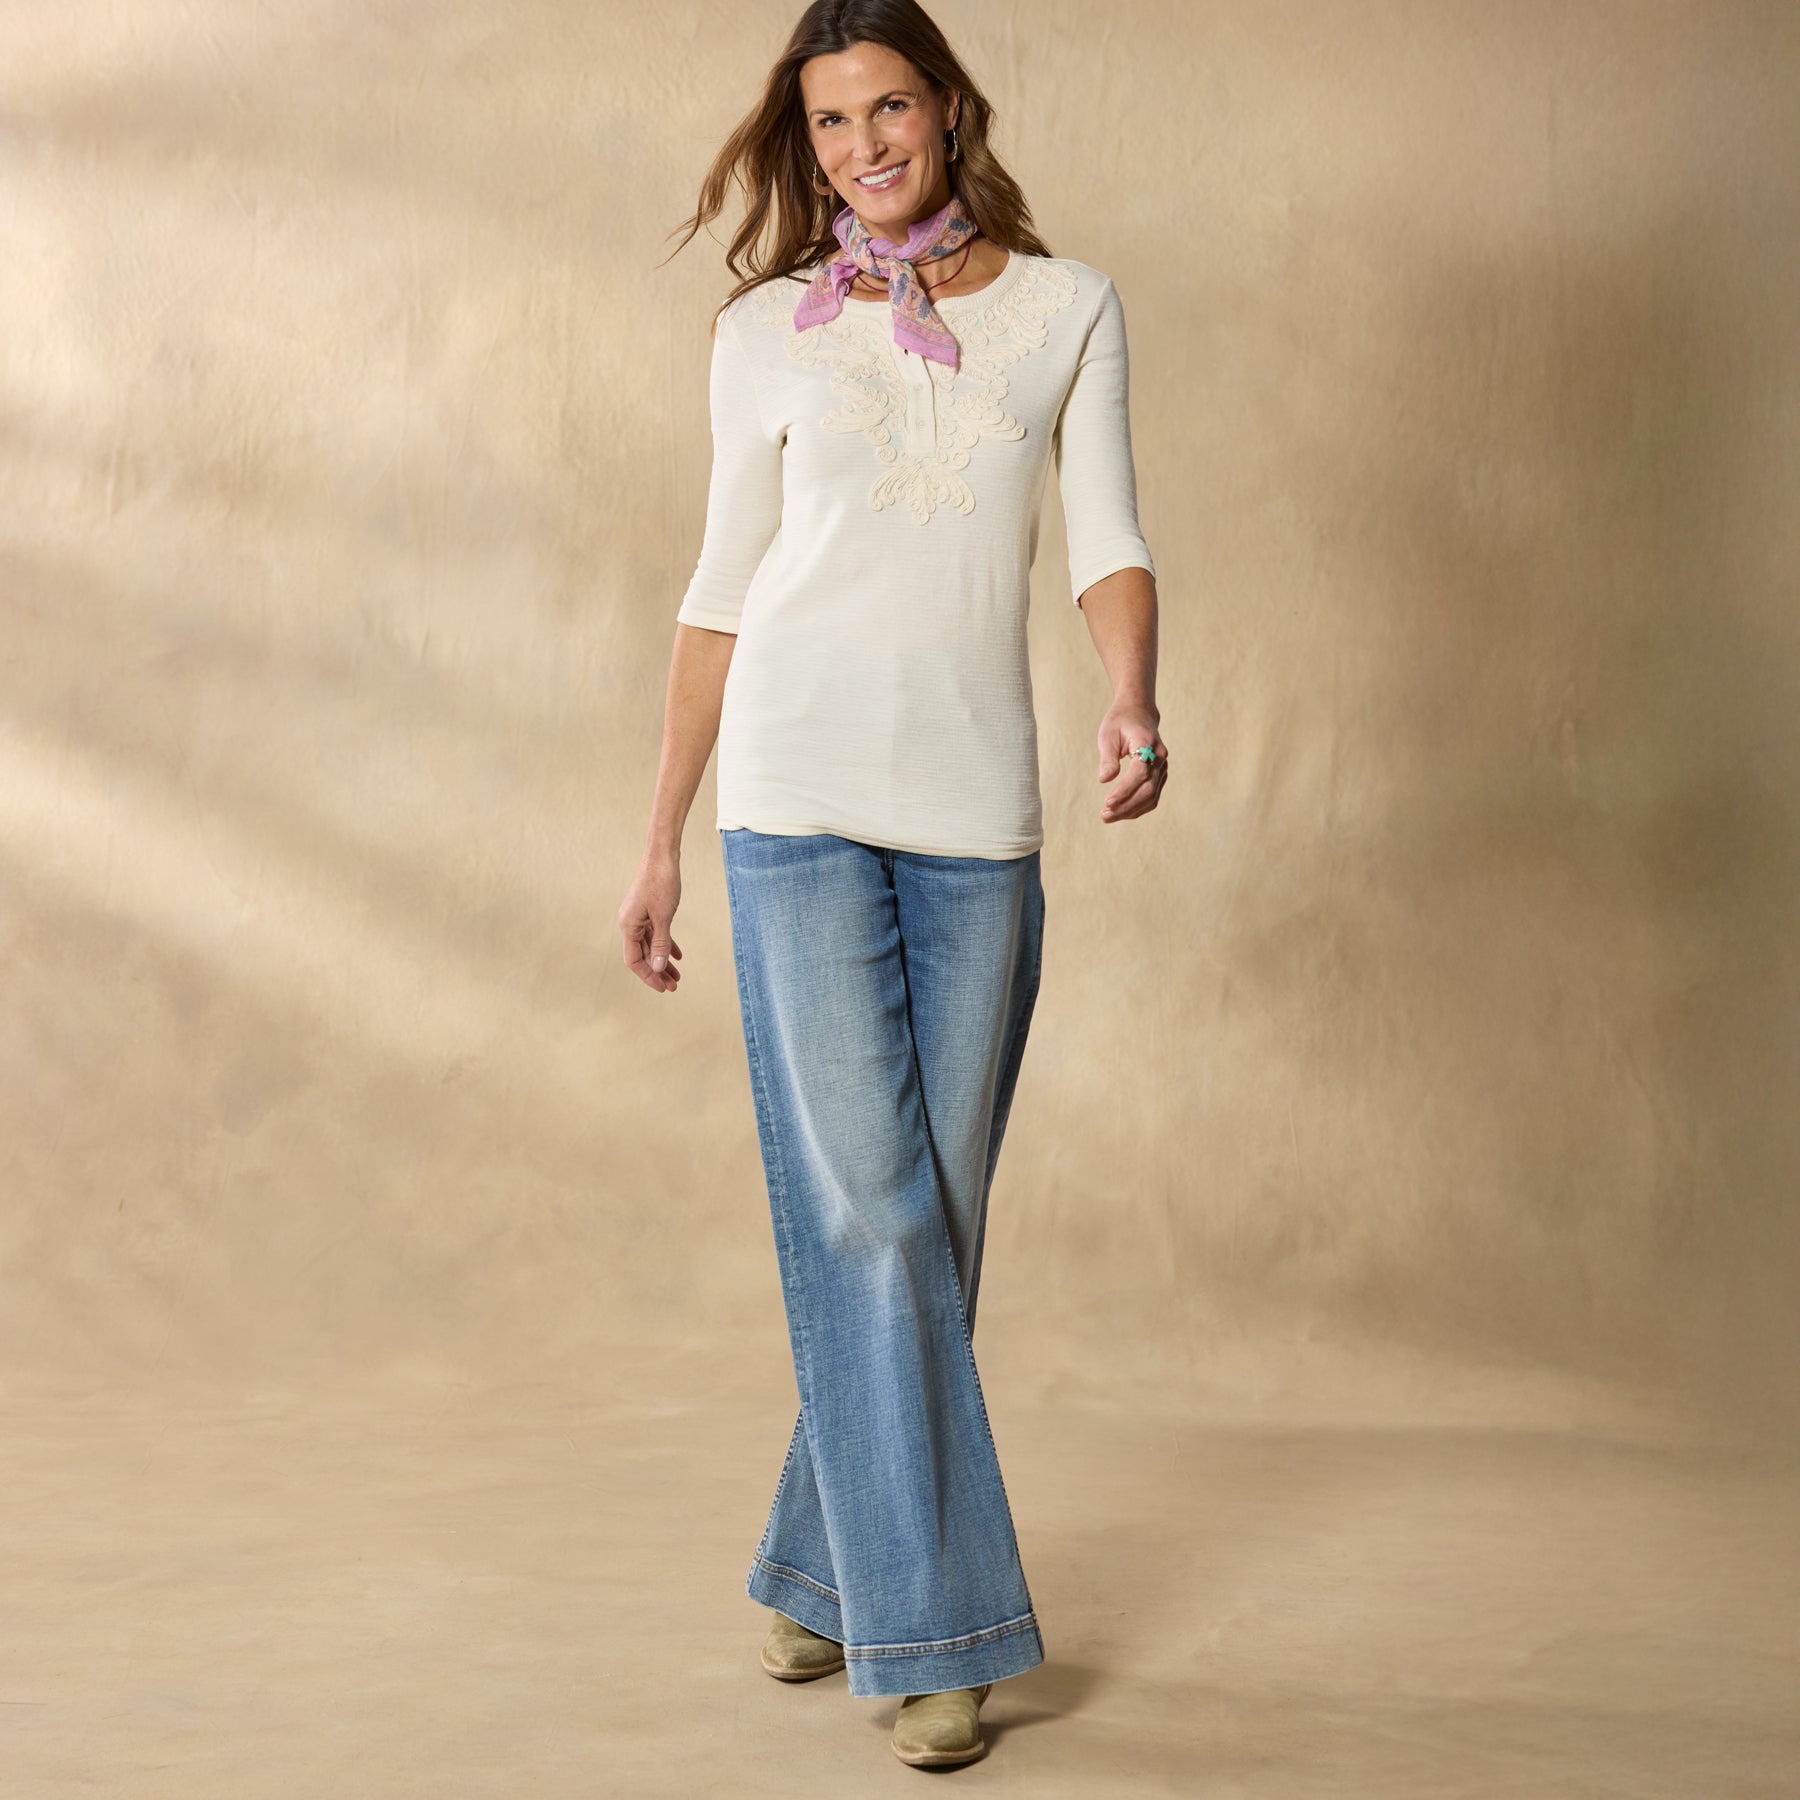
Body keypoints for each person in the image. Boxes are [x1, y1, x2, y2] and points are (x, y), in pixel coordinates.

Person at [617, 0, 1167, 1772]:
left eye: (890, 108)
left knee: (927, 1214)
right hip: (792, 799)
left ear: (947, 110)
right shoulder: (763, 331)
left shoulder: (1068, 309)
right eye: (830, 121)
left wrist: (1134, 697)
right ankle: (938, 1636)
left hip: (976, 818)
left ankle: (819, 1561)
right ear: (807, 142)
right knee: (867, 1204)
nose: (863, 145)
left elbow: (1109, 536)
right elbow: (720, 590)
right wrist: (661, 835)